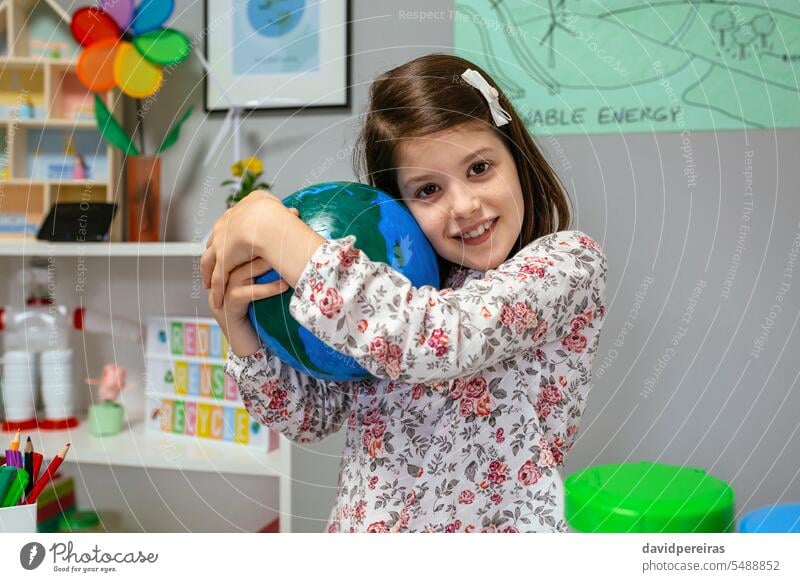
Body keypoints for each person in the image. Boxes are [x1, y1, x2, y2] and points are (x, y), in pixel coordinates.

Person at [201, 54, 608, 533]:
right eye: (428, 189)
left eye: (479, 168)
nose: (464, 206)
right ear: (397, 205)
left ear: (516, 157)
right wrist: (240, 331)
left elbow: (437, 339)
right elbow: (310, 418)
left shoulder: (568, 264)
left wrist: (279, 234)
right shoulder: (398, 289)